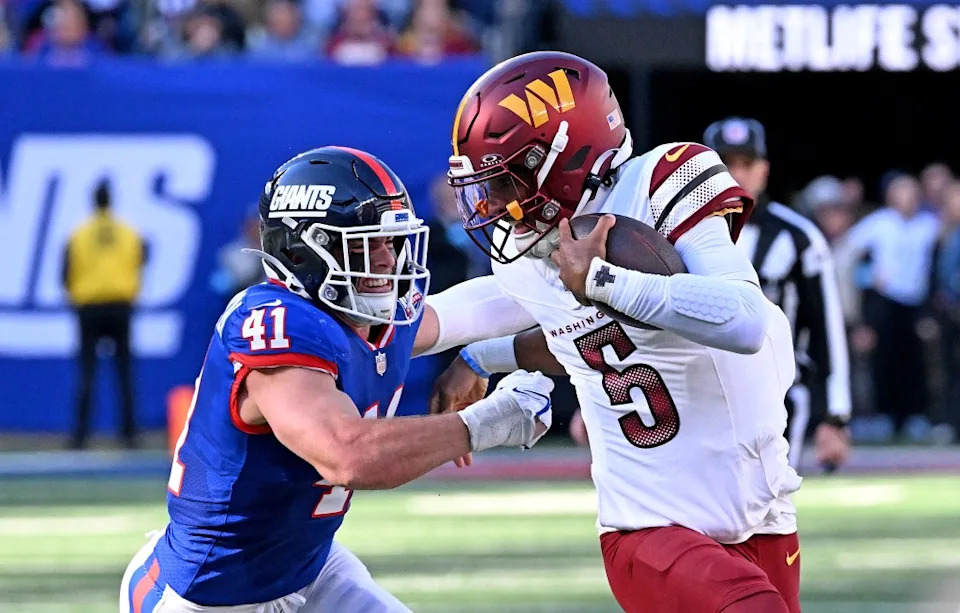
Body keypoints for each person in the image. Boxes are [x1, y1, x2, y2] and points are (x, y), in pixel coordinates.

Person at [421, 51, 802, 613]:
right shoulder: (530, 256)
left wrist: (601, 282)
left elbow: (742, 320)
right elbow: (435, 321)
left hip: (762, 509)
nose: (491, 204)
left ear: (562, 157)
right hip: (650, 527)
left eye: (504, 180)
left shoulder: (665, 180)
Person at [119, 146, 553, 613]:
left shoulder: (374, 318)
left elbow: (479, 309)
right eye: (368, 244)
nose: (387, 260)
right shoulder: (280, 325)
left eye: (393, 242)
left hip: (306, 565)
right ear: (307, 249)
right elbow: (350, 455)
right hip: (213, 594)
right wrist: (493, 422)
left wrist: (574, 278)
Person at [703, 117, 852, 471]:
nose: (737, 174)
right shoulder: (676, 232)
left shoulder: (798, 237)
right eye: (727, 163)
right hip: (698, 388)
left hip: (776, 393)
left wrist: (835, 414)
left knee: (765, 505)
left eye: (747, 163)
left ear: (764, 169)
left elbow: (826, 327)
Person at [838, 173, 940, 437]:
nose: (905, 199)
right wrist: (867, 275)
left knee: (914, 362)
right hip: (885, 301)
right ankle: (884, 415)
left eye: (910, 193)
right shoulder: (880, 223)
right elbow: (847, 250)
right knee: (883, 361)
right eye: (900, 193)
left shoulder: (928, 225)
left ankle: (913, 416)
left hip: (916, 303)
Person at [63, 179, 145, 449]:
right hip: (120, 305)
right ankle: (129, 435)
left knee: (87, 372)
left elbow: (65, 271)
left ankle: (81, 436)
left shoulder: (79, 233)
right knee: (124, 373)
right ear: (111, 200)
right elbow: (141, 259)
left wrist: (78, 294)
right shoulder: (128, 231)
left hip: (89, 307)